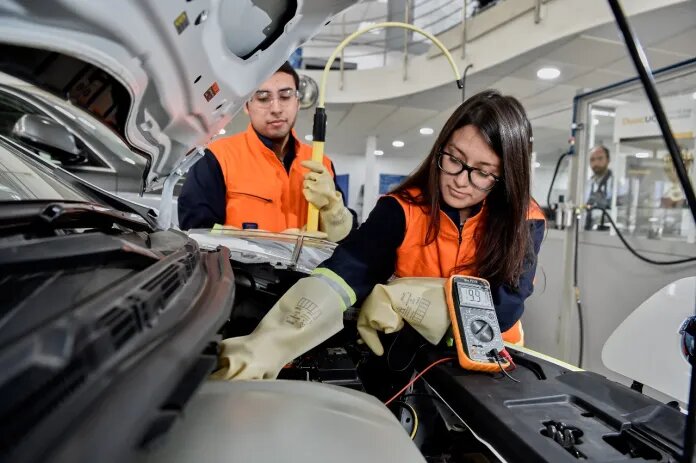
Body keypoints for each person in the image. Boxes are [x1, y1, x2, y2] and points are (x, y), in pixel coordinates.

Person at [213, 90, 546, 380]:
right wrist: (270, 343)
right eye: (454, 160)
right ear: (440, 150)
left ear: (505, 176)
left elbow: (506, 304)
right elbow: (344, 273)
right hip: (412, 355)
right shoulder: (402, 209)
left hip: (495, 361)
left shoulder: (525, 219)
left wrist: (410, 297)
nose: (461, 180)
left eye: (483, 173)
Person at [177, 62, 355, 242]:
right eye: (263, 97)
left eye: (285, 96)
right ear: (246, 106)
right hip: (237, 269)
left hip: (307, 270)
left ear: (298, 102)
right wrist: (272, 243)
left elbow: (342, 238)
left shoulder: (321, 164)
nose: (276, 109)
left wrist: (333, 208)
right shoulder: (218, 156)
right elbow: (195, 227)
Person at [585, 145, 614, 230]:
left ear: (608, 160)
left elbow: (621, 213)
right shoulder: (587, 184)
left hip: (606, 232)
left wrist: (606, 204)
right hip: (586, 230)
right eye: (592, 160)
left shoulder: (617, 185)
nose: (596, 163)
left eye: (600, 158)